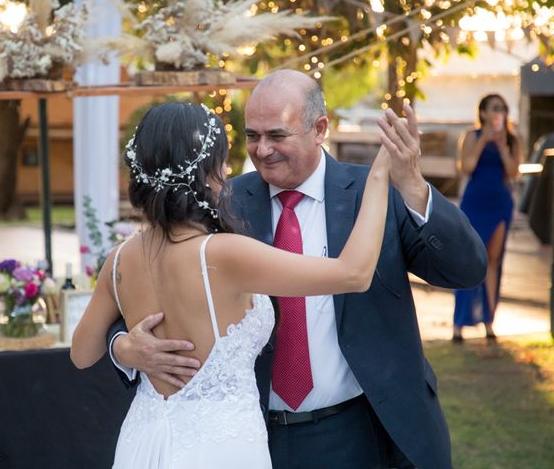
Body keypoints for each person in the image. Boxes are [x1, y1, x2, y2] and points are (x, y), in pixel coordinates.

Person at [107, 70, 487, 469]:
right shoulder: (220, 202)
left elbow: (466, 269)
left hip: (363, 429)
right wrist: (123, 347)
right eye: (252, 136)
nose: (262, 149)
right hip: (250, 438)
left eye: (277, 135)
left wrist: (412, 186)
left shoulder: (374, 192)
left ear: (319, 128)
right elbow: (144, 284)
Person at [71, 101, 395, 468]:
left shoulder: (118, 259)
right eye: (221, 161)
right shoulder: (223, 255)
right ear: (207, 172)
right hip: (218, 447)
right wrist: (380, 177)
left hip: (142, 439)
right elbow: (353, 274)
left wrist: (124, 347)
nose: (226, 171)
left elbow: (81, 354)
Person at [454, 94, 524, 342]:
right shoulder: (470, 137)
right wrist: (484, 138)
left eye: (502, 108)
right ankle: (459, 324)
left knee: (493, 262)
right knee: (469, 259)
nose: (499, 112)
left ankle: (489, 321)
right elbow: (466, 167)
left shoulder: (513, 139)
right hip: (474, 203)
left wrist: (503, 146)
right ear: (483, 112)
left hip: (499, 204)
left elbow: (514, 172)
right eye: (494, 108)